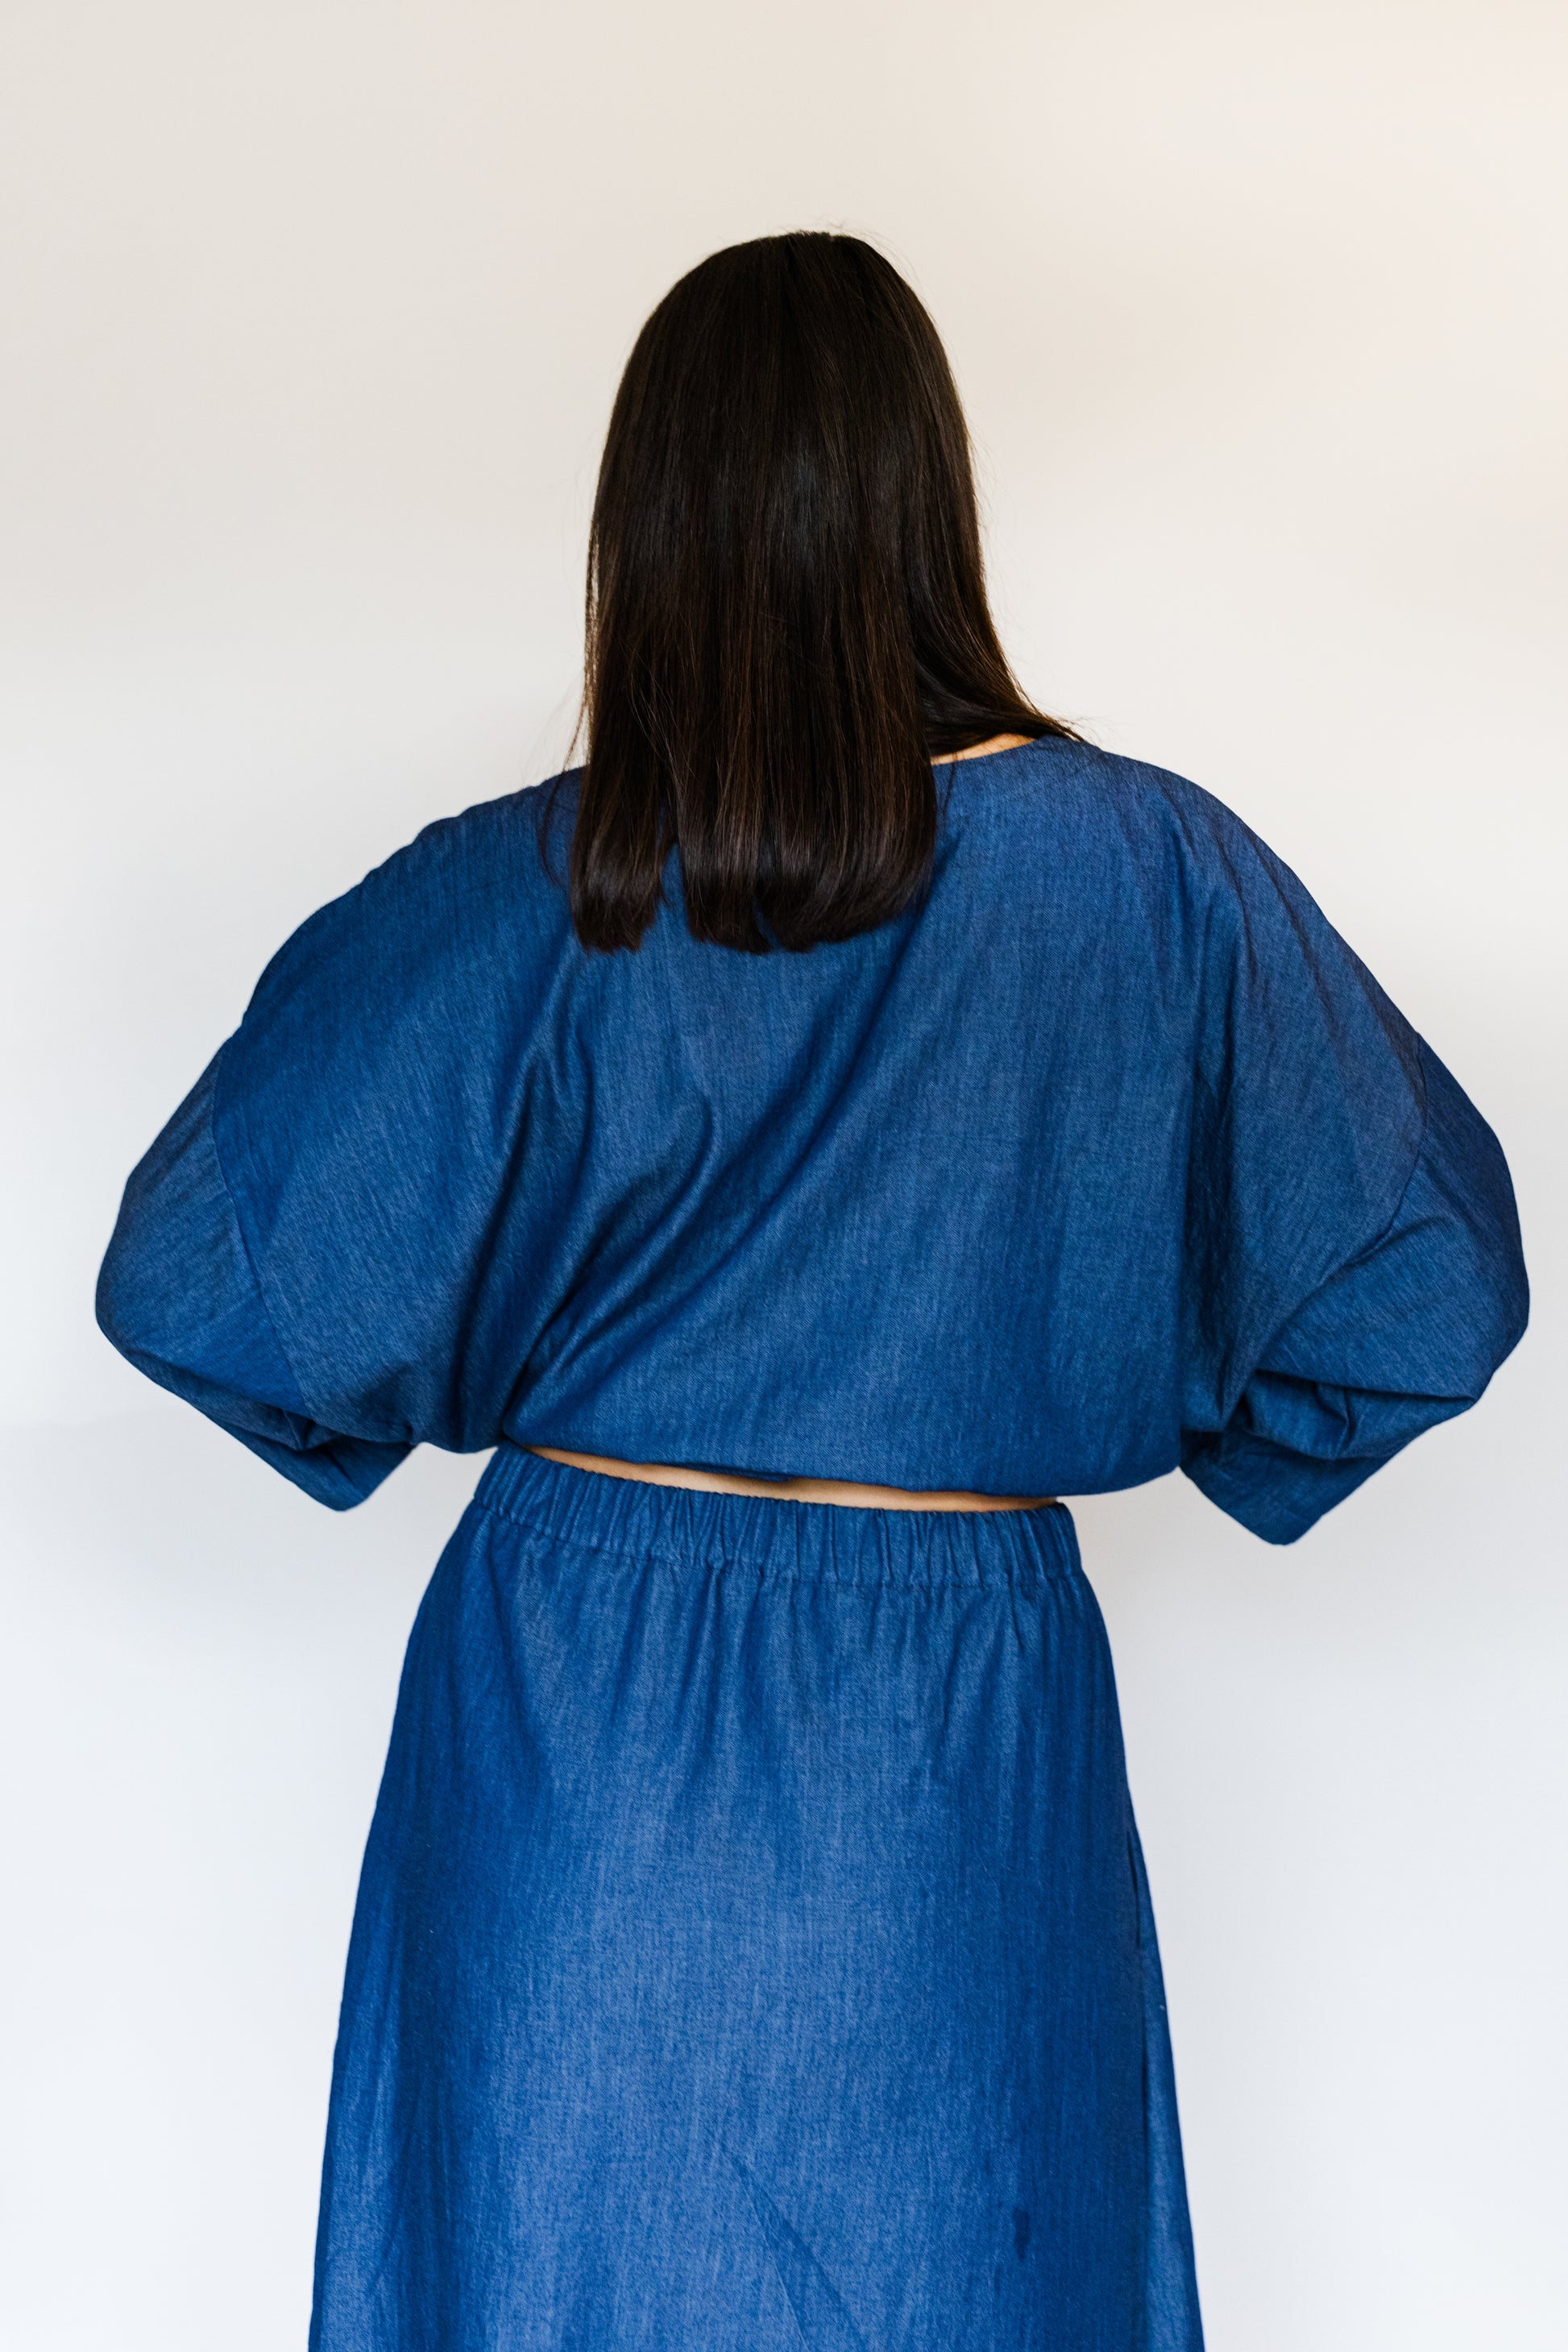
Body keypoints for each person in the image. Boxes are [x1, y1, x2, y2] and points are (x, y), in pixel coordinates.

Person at [97, 233, 1527, 2352]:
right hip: (959, 1727)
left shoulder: (526, 886)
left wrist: (488, 1366)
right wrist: (1166, 1397)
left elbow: (198, 1274)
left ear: (645, 531)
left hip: (572, 1704)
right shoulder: (1152, 878)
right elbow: (1423, 1284)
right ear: (924, 507)